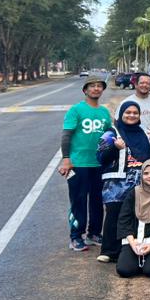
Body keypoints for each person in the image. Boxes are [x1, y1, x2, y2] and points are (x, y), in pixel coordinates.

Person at [97, 101, 150, 263]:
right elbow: (100, 157)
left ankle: (128, 249)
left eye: (135, 113)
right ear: (121, 114)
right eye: (128, 112)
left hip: (138, 181)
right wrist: (114, 148)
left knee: (133, 215)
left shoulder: (143, 133)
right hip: (116, 183)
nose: (131, 115)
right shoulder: (111, 132)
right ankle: (109, 251)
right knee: (114, 213)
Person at [59, 76, 110, 252]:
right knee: (78, 201)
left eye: (99, 86)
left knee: (98, 200)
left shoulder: (104, 112)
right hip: (78, 164)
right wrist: (66, 159)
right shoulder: (76, 110)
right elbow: (66, 135)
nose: (96, 89)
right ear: (85, 90)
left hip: (99, 164)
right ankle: (75, 236)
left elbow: (110, 134)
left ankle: (94, 233)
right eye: (92, 86)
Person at [115, 160, 150, 278]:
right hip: (135, 240)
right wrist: (133, 243)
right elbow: (124, 219)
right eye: (146, 173)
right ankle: (141, 260)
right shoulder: (134, 193)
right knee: (124, 270)